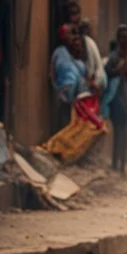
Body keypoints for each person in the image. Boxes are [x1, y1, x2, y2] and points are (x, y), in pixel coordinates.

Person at [40, 24, 108, 163]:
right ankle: (57, 152)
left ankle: (72, 156)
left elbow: (83, 79)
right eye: (70, 35)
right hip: (66, 98)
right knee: (66, 129)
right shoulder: (61, 54)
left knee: (76, 131)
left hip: (78, 101)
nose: (74, 39)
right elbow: (61, 75)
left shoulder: (78, 61)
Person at [102, 26, 127, 173]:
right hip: (115, 96)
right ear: (118, 39)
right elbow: (108, 73)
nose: (124, 40)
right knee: (118, 130)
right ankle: (115, 164)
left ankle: (122, 164)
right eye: (122, 37)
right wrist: (120, 70)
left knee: (126, 130)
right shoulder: (113, 57)